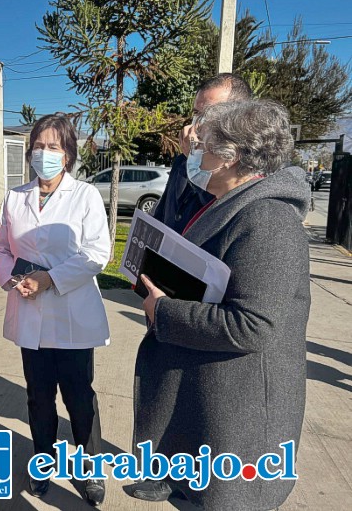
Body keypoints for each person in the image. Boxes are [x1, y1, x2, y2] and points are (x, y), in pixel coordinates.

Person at [131, 100, 310, 510]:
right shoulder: (228, 203)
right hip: (206, 401)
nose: (196, 153)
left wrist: (165, 312)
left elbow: (254, 325)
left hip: (237, 415)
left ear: (231, 157)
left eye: (205, 146)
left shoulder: (268, 219)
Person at [0, 113, 111, 506]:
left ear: (69, 154)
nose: (44, 153)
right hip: (29, 312)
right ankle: (43, 461)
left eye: (54, 147)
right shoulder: (15, 197)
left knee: (78, 395)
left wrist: (49, 278)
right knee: (38, 396)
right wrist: (12, 280)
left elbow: (97, 253)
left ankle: (89, 466)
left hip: (72, 314)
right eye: (38, 146)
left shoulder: (86, 196)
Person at [152, 73, 252, 232]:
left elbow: (216, 212)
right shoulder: (182, 162)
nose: (196, 124)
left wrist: (196, 158)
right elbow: (162, 215)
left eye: (208, 115)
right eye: (196, 113)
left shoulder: (240, 172)